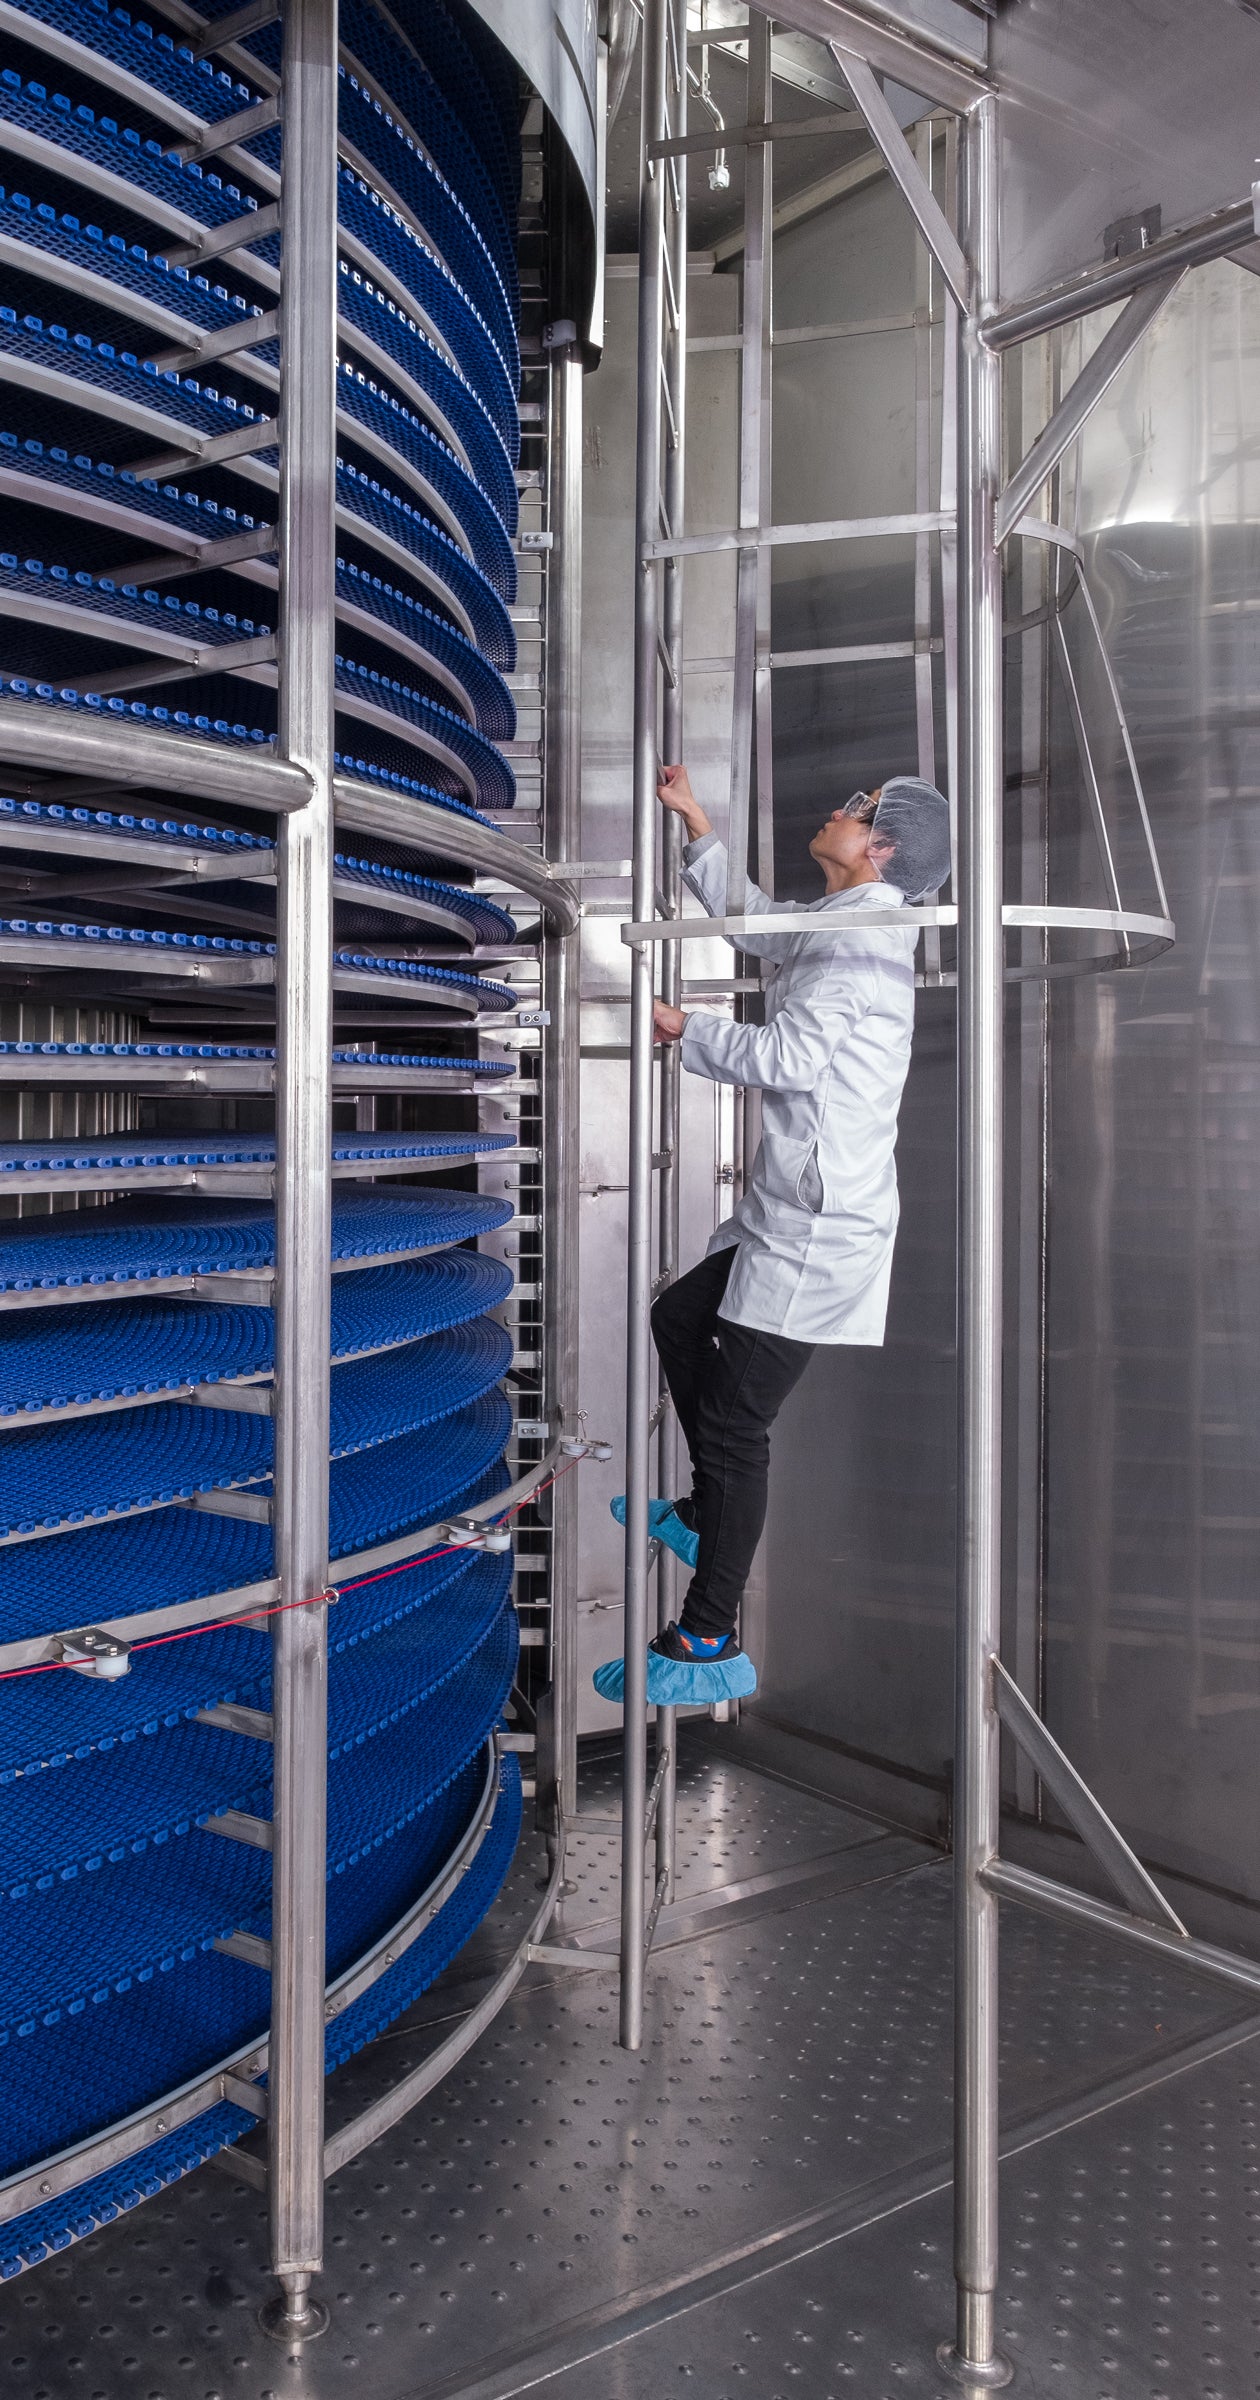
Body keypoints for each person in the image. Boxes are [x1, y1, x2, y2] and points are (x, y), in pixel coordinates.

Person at [595, 764, 951, 1708]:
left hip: (817, 1230)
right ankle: (705, 1513)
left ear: (881, 849)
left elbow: (789, 1058)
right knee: (679, 1318)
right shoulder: (843, 922)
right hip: (791, 1208)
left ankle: (707, 1635)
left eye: (858, 811)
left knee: (733, 1427)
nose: (838, 810)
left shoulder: (861, 942)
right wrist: (694, 820)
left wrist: (682, 1028)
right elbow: (757, 922)